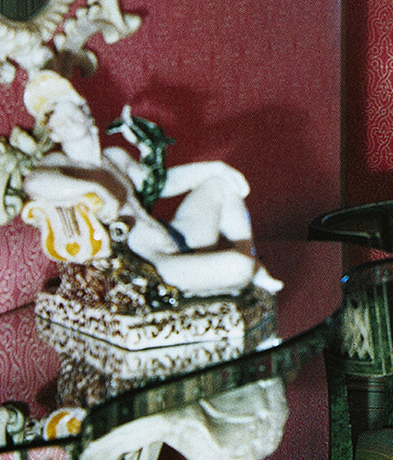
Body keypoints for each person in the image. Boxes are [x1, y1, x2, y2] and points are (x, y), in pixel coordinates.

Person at [21, 70, 281, 296]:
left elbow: (161, 184)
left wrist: (215, 168)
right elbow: (35, 183)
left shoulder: (115, 157)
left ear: (86, 112)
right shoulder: (60, 163)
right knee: (239, 267)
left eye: (68, 110)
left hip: (175, 237)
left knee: (220, 185)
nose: (63, 121)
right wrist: (94, 187)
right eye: (53, 117)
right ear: (51, 131)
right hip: (151, 266)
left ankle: (253, 261)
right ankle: (244, 270)